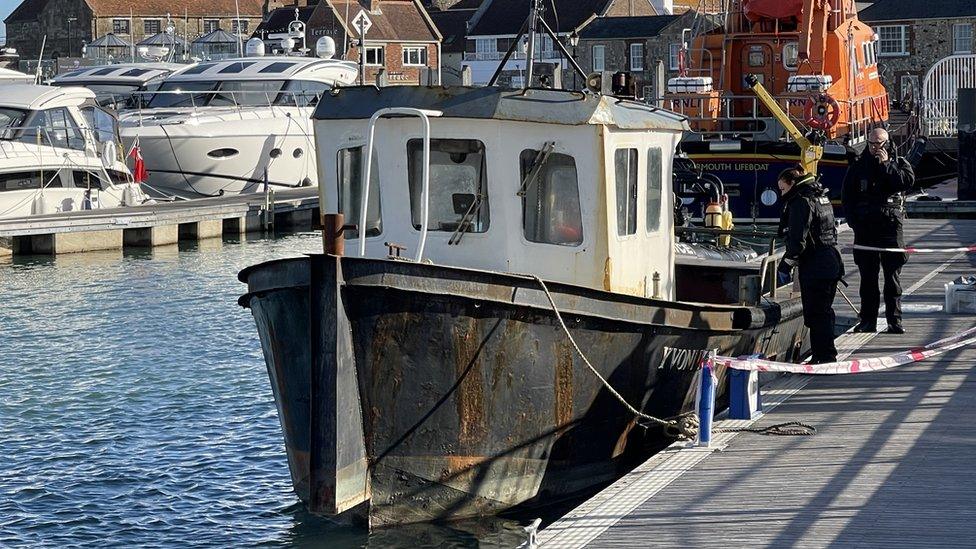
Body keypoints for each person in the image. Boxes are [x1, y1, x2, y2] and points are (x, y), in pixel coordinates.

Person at [841, 127, 915, 334]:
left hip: (890, 228)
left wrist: (886, 165)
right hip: (866, 229)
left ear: (888, 143)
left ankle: (894, 320)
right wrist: (855, 223)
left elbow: (906, 182)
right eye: (872, 144)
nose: (875, 148)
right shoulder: (858, 166)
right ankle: (867, 321)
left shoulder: (899, 163)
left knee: (892, 278)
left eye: (879, 144)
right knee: (868, 279)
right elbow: (847, 198)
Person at [777, 167, 845, 364]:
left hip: (816, 264)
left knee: (816, 313)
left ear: (791, 184)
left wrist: (786, 264)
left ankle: (824, 357)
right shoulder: (820, 197)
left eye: (782, 189)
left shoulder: (801, 202)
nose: (782, 194)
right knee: (824, 310)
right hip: (831, 259)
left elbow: (798, 240)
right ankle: (824, 353)